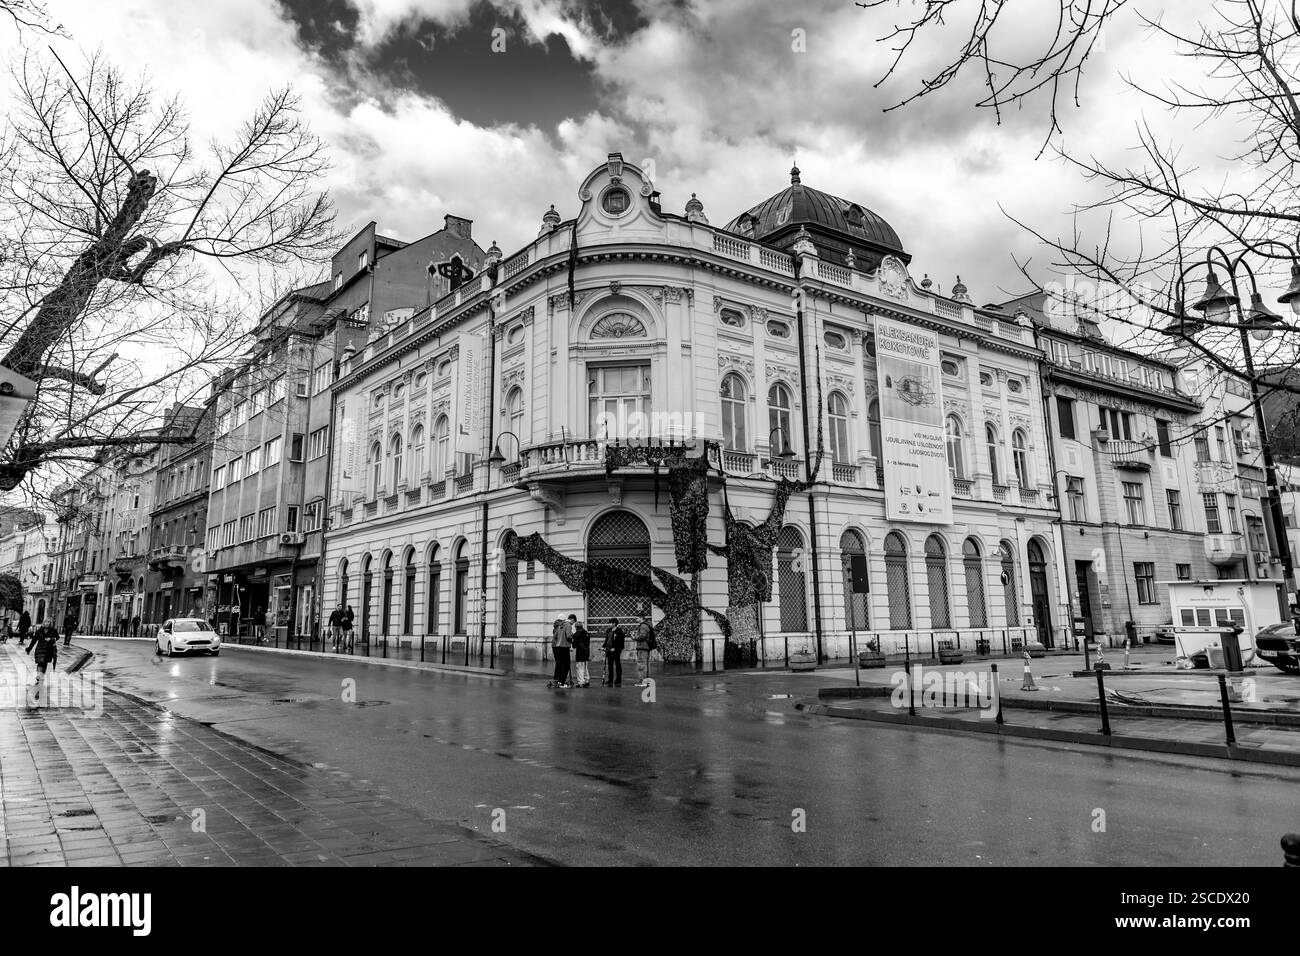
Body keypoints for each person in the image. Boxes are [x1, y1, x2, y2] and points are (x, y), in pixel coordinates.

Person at [26, 620, 60, 704]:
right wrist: (29, 648)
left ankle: (40, 676)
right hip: (40, 649)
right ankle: (39, 676)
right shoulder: (39, 631)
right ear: (43, 623)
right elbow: (34, 640)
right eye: (46, 622)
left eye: (49, 622)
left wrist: (51, 639)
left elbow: (57, 637)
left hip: (48, 650)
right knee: (40, 663)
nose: (47, 623)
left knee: (43, 663)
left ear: (50, 623)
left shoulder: (53, 630)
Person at [550, 617, 572, 688]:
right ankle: (563, 682)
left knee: (560, 665)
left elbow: (555, 636)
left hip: (558, 647)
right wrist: (572, 638)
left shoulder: (560, 626)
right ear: (571, 620)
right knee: (566, 665)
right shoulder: (568, 625)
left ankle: (559, 681)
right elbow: (569, 636)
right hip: (565, 647)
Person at [570, 615, 591, 688]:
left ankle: (581, 682)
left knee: (579, 668)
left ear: (576, 627)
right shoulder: (586, 633)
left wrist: (572, 640)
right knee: (585, 667)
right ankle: (587, 681)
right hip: (586, 652)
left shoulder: (576, 635)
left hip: (580, 653)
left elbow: (574, 645)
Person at [602, 622, 625, 686]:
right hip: (609, 650)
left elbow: (621, 642)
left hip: (616, 651)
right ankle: (610, 680)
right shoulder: (609, 630)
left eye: (610, 623)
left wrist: (615, 648)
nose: (609, 624)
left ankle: (618, 680)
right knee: (610, 665)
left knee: (617, 665)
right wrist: (603, 646)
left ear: (614, 623)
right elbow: (607, 639)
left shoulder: (619, 631)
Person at [634, 613, 654, 687]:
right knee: (645, 664)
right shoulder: (646, 625)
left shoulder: (643, 626)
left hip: (642, 647)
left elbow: (642, 636)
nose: (636, 619)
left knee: (641, 664)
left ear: (641, 618)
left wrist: (635, 637)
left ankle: (642, 681)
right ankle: (646, 681)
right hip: (646, 647)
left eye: (637, 618)